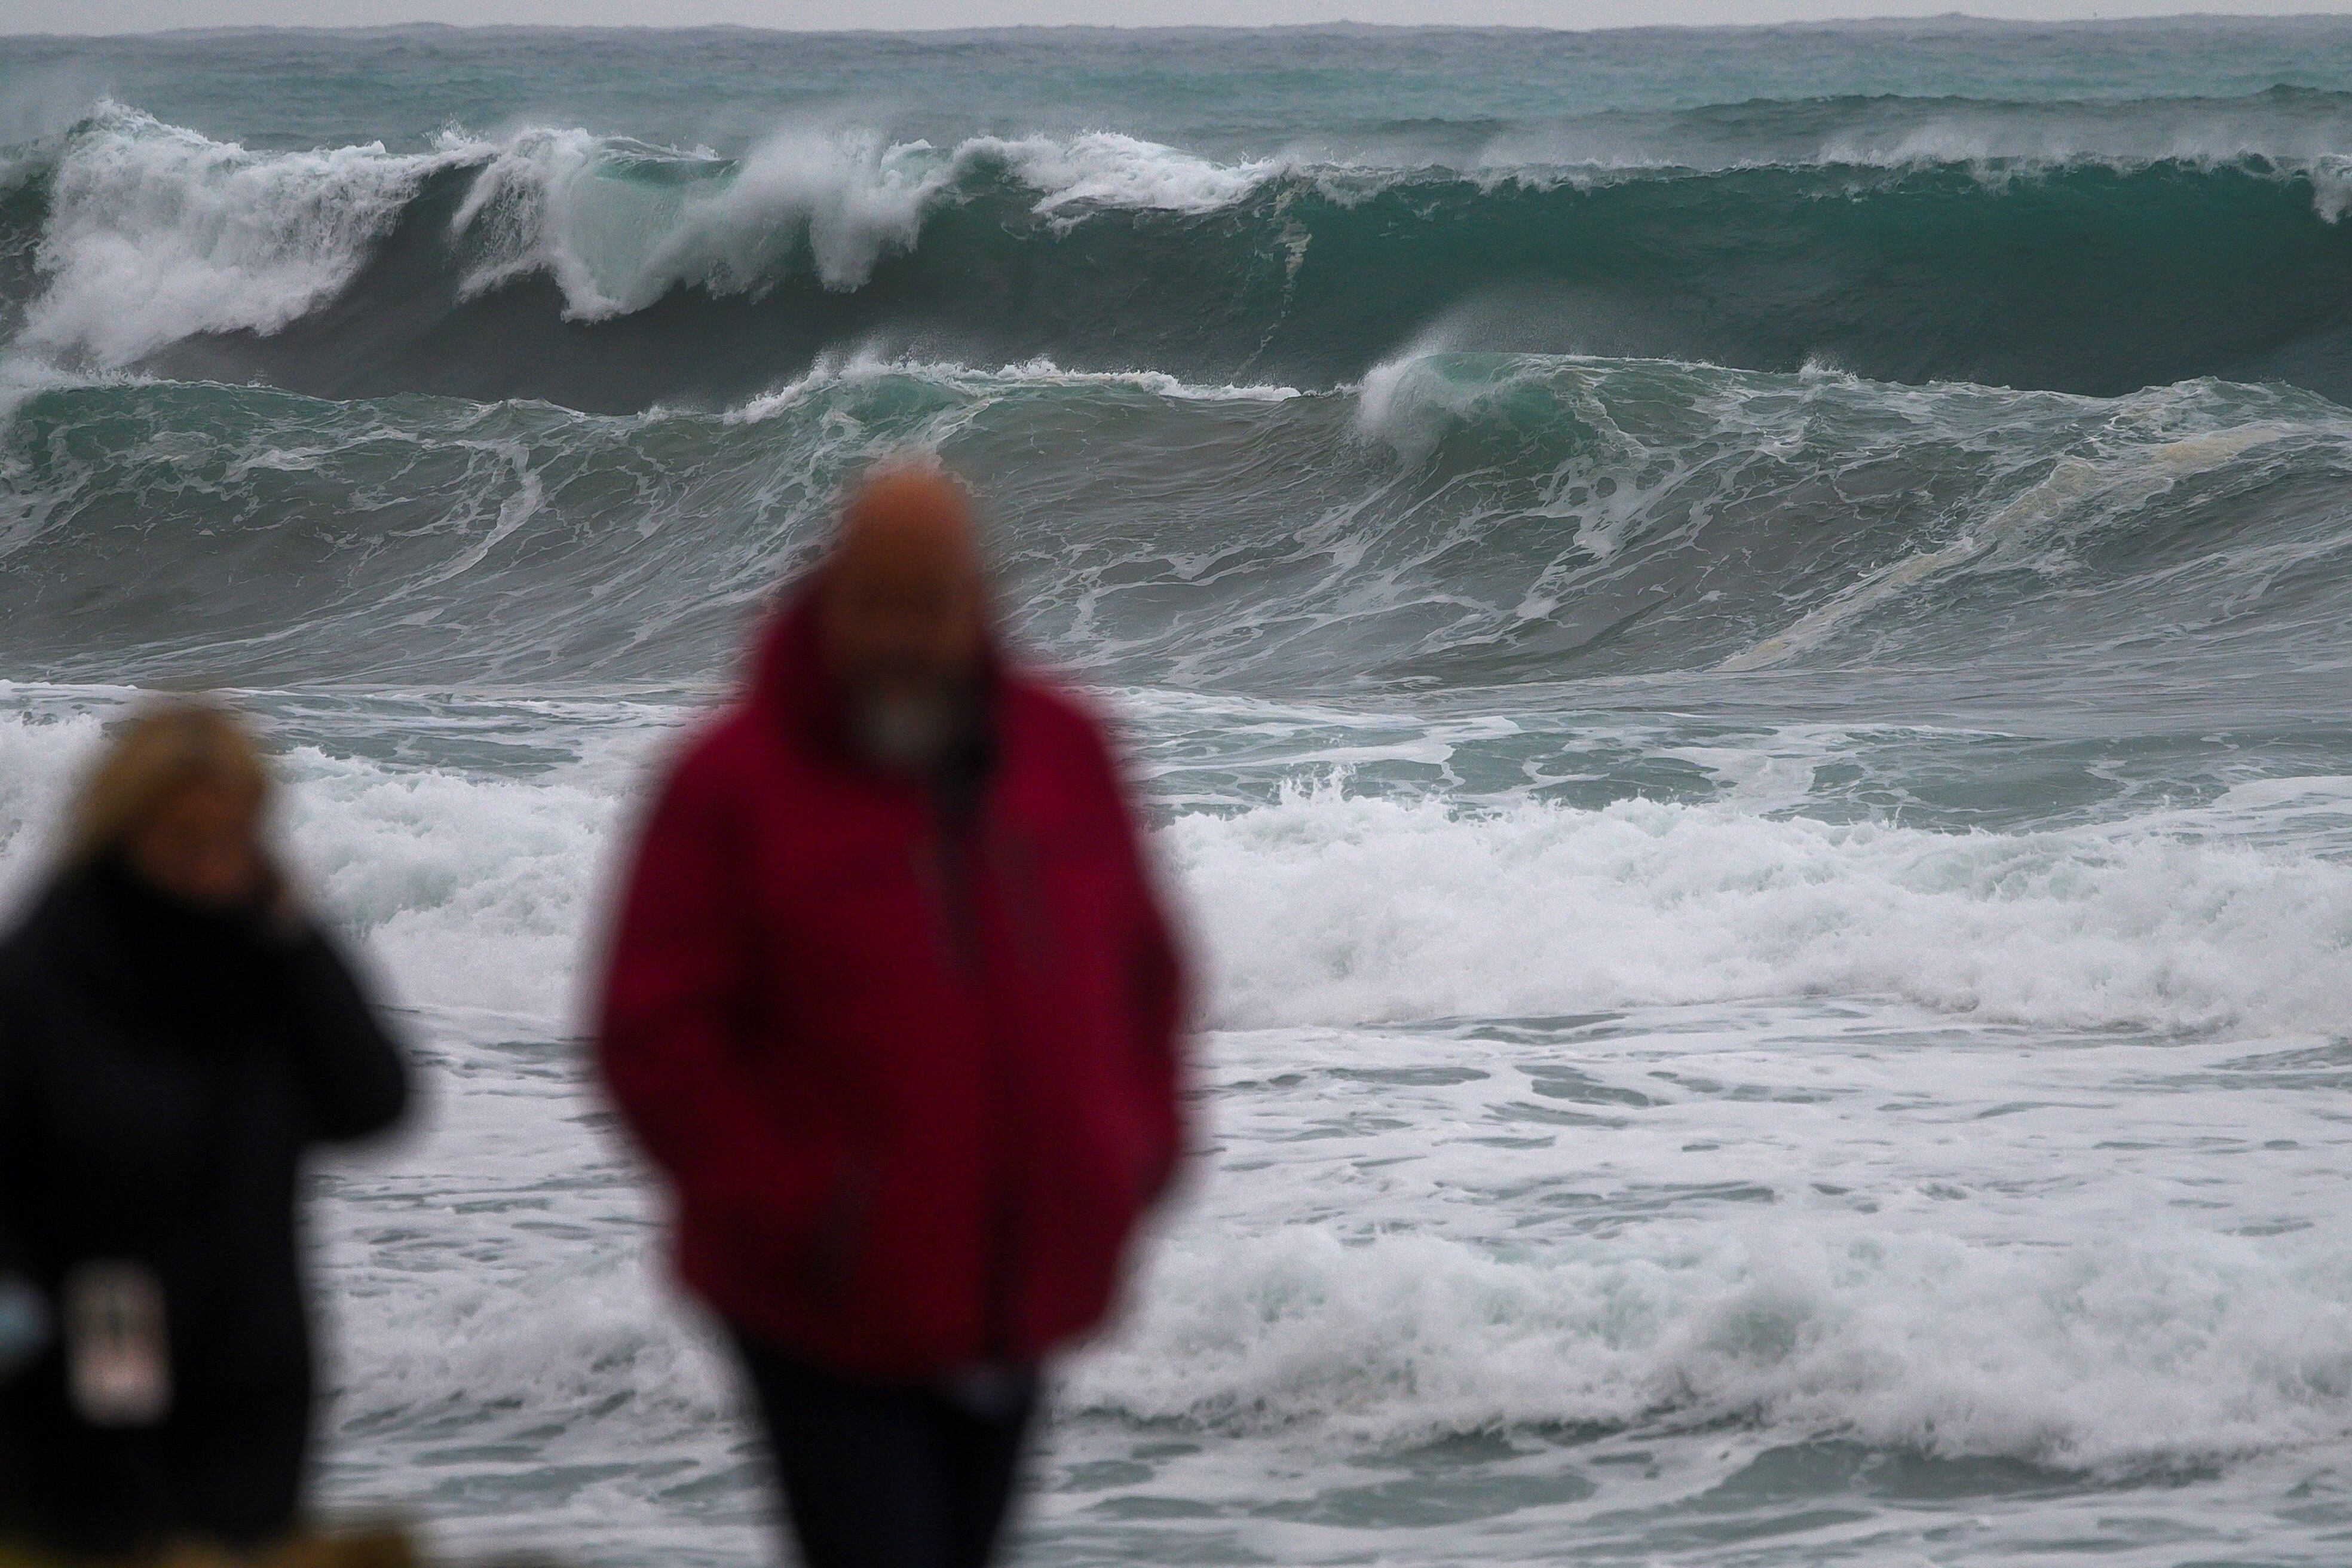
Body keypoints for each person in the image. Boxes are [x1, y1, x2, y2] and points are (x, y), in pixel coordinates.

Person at [596, 464, 1189, 1568]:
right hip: (825, 1303)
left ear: (980, 604)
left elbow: (1147, 972)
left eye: (936, 604)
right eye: (882, 605)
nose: (908, 636)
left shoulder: (1064, 750)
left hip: (1014, 1277)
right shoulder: (730, 786)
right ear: (830, 600)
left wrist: (1132, 1153)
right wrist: (808, 1206)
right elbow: (652, 1038)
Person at [0, 700, 411, 1557]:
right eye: (187, 839)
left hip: (255, 1350)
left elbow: (373, 1102)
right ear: (124, 828)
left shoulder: (266, 962)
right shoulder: (46, 972)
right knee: (124, 1540)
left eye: (234, 840)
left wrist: (298, 936)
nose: (212, 868)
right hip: (106, 1332)